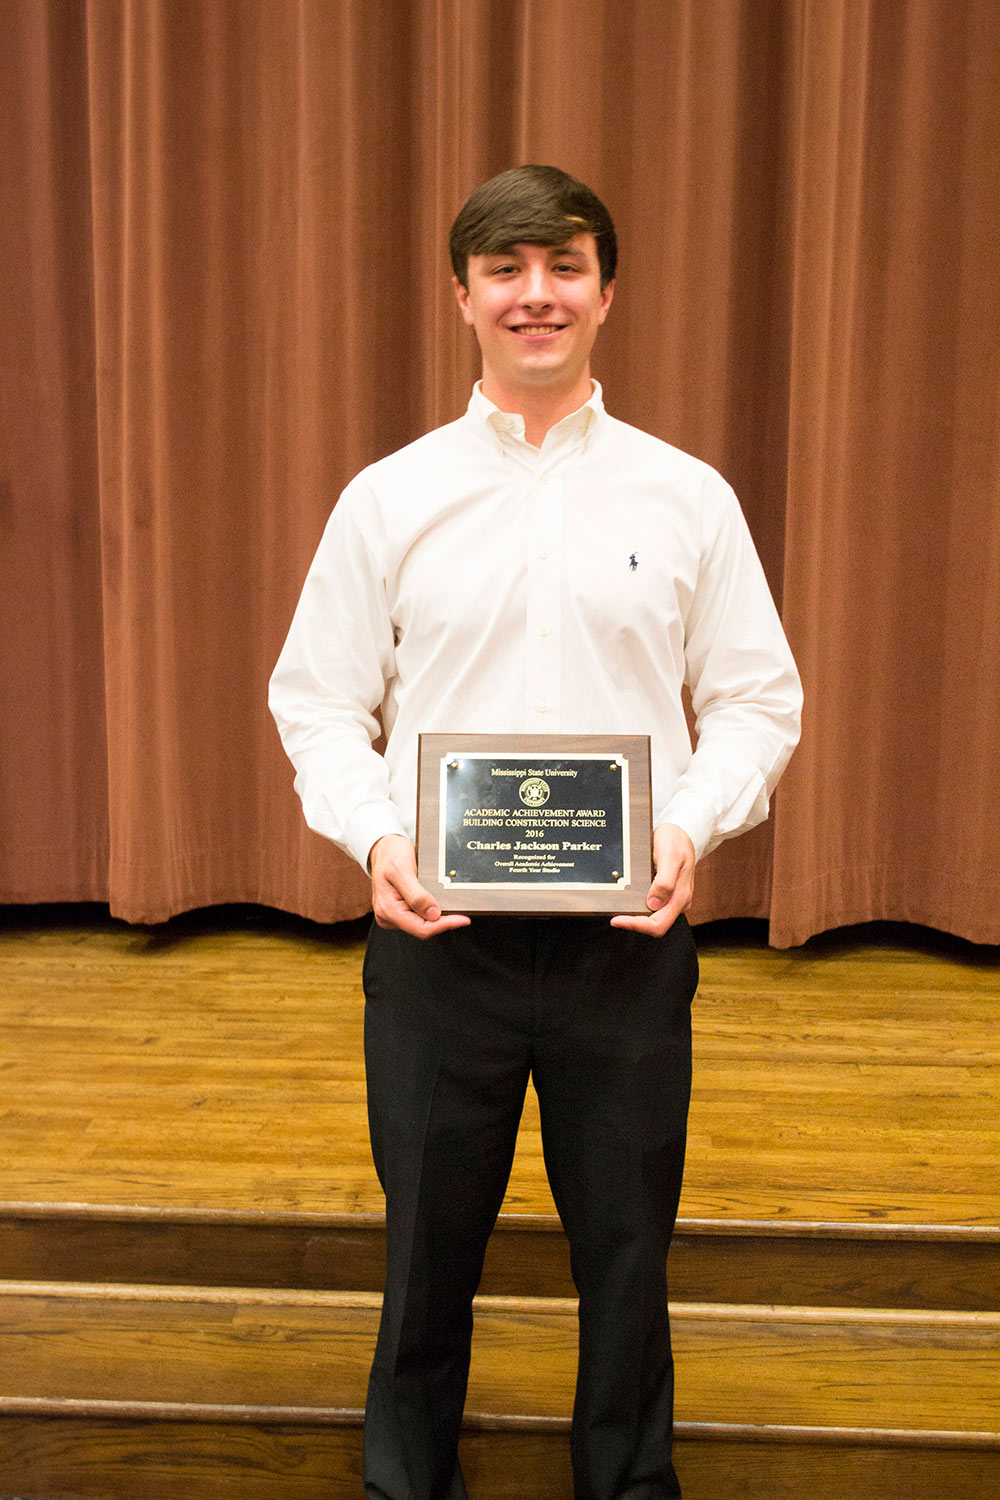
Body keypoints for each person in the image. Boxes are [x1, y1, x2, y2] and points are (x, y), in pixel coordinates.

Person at [269, 164, 802, 1500]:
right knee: (424, 1256)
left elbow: (755, 698)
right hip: (441, 946)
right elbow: (318, 703)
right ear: (463, 296)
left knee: (627, 1255)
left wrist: (687, 826)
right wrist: (377, 837)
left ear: (606, 294)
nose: (536, 296)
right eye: (506, 270)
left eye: (563, 267)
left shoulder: (687, 498)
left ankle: (629, 1489)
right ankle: (407, 1486)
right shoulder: (387, 499)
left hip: (628, 944)